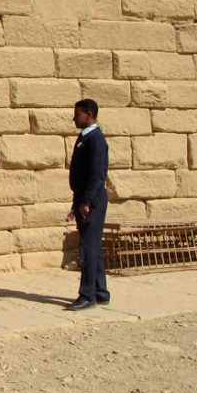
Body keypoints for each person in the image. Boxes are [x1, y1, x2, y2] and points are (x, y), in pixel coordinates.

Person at [65, 98, 111, 310]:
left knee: (88, 248)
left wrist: (86, 202)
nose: (74, 117)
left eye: (78, 113)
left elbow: (97, 174)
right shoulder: (85, 137)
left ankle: (87, 295)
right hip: (84, 199)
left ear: (88, 115)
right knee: (93, 247)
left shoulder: (96, 140)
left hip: (91, 201)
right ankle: (100, 291)